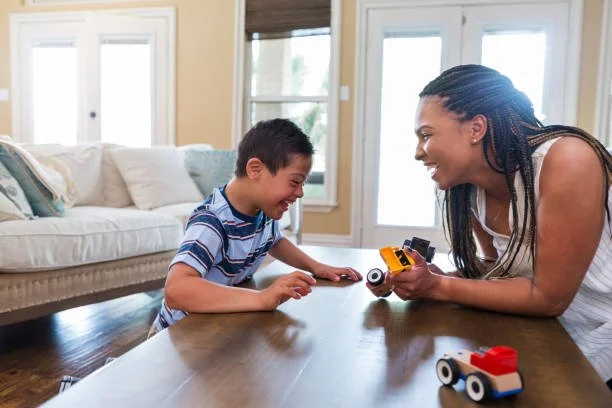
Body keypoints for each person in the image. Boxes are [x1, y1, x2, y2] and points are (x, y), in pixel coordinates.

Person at [389, 64, 612, 388]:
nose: (417, 152)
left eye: (426, 135)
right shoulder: (472, 189)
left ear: (476, 128)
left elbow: (548, 297)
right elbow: (501, 275)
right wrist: (434, 277)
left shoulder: (568, 159)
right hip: (558, 337)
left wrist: (437, 288)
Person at [150, 119, 362, 335]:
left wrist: (316, 267)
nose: (300, 193)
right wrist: (263, 298)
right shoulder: (211, 223)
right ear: (255, 169)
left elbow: (274, 241)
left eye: (303, 184)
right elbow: (176, 290)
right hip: (177, 336)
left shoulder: (261, 213)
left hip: (217, 326)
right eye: (295, 182)